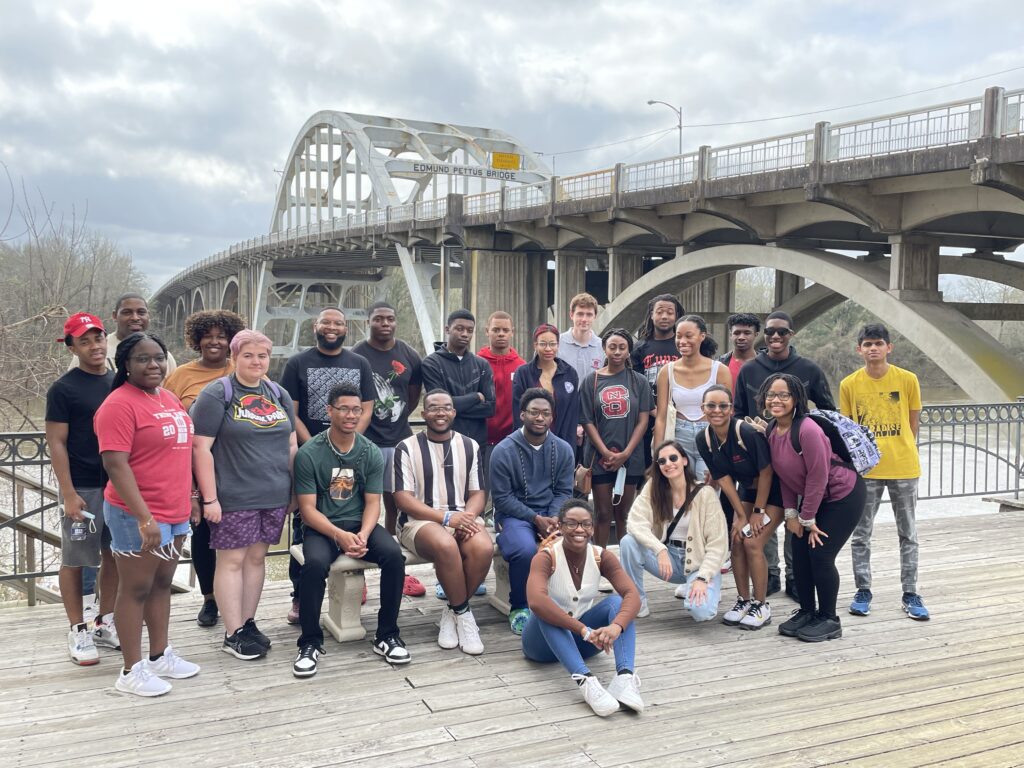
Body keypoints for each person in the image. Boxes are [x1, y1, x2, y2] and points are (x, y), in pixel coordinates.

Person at [95, 332, 200, 696]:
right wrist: (144, 517)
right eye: (143, 358)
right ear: (125, 364)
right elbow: (115, 464)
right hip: (136, 514)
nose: (153, 364)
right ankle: (130, 670)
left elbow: (180, 455)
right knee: (135, 589)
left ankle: (159, 655)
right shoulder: (118, 405)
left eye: (158, 357)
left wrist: (191, 498)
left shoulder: (168, 398)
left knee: (160, 585)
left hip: (175, 511)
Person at [191, 330, 297, 660]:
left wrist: (294, 490)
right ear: (235, 357)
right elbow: (200, 448)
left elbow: (291, 444)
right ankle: (232, 631)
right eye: (248, 355)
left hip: (274, 494)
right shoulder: (217, 393)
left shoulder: (277, 393)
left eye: (262, 355)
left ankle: (248, 622)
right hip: (233, 495)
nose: (256, 361)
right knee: (232, 560)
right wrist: (209, 498)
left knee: (256, 558)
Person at [292, 383, 410, 676]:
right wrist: (339, 535)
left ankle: (387, 635)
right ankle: (309, 641)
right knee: (315, 564)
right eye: (343, 408)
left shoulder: (368, 451)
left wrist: (364, 535)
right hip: (323, 527)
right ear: (329, 411)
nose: (350, 415)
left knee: (394, 556)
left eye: (356, 409)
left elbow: (373, 503)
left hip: (360, 525)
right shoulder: (309, 453)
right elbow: (307, 510)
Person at [281, 307, 376, 624]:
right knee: (304, 521)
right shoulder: (298, 363)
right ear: (315, 326)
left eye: (339, 323)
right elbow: (290, 411)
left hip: (352, 454)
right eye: (326, 322)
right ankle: (300, 595)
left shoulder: (358, 362)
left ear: (346, 329)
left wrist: (349, 444)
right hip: (312, 453)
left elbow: (366, 408)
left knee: (353, 510)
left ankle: (353, 588)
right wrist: (314, 446)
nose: (332, 327)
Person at [733, 310, 836, 601]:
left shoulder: (809, 369)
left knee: (794, 518)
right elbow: (737, 411)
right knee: (762, 516)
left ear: (791, 334)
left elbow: (828, 413)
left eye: (782, 332)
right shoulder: (749, 370)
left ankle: (795, 575)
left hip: (796, 462)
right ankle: (772, 574)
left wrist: (802, 431)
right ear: (763, 336)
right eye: (770, 332)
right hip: (758, 463)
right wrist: (749, 430)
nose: (776, 337)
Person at [762, 374, 866, 642]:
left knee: (819, 554)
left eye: (784, 395)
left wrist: (807, 518)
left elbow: (818, 476)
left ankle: (830, 618)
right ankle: (808, 611)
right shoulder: (772, 430)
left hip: (842, 496)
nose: (777, 400)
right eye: (772, 394)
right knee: (798, 551)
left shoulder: (808, 429)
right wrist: (791, 516)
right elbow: (784, 476)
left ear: (796, 399)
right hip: (812, 499)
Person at [840, 323, 929, 620]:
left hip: (904, 467)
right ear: (859, 350)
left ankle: (911, 592)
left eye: (879, 343)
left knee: (909, 533)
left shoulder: (907, 380)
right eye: (867, 344)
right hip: (867, 471)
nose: (873, 348)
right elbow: (849, 429)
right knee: (861, 533)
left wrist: (904, 448)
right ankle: (863, 590)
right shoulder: (850, 384)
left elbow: (912, 422)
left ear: (889, 347)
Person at [163, 308, 246, 628]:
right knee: (203, 535)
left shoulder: (245, 369)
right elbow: (169, 423)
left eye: (221, 336)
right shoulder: (180, 376)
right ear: (197, 341)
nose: (214, 342)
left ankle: (236, 599)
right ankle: (210, 599)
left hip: (239, 468)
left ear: (231, 342)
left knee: (240, 537)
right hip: (197, 469)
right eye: (208, 336)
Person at [523, 499, 643, 717]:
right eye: (571, 523)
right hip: (540, 645)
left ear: (592, 528)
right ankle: (586, 680)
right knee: (547, 608)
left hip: (583, 643)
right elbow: (535, 601)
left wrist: (615, 627)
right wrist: (583, 630)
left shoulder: (601, 556)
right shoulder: (546, 557)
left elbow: (632, 595)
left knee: (618, 603)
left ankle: (624, 677)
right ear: (559, 526)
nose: (579, 529)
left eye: (586, 524)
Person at [45, 312, 119, 665]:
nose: (95, 346)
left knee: (116, 555)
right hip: (84, 487)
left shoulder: (119, 382)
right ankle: (78, 629)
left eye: (98, 338)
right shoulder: (64, 389)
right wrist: (69, 493)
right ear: (72, 346)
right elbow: (56, 443)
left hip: (118, 486)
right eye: (85, 340)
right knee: (76, 558)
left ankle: (105, 621)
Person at [393, 390, 490, 655]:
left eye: (446, 408)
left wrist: (467, 517)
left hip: (462, 517)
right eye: (434, 408)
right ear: (423, 414)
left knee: (483, 548)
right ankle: (465, 615)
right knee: (446, 545)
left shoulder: (470, 445)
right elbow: (403, 499)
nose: (440, 413)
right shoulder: (407, 447)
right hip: (419, 522)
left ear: (454, 413)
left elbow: (478, 493)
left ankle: (452, 612)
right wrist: (447, 518)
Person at [350, 302, 427, 598]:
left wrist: (398, 418)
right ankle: (358, 571)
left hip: (398, 441)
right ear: (368, 321)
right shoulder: (357, 354)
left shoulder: (408, 354)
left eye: (390, 318)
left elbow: (413, 391)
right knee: (358, 506)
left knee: (397, 505)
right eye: (379, 318)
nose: (385, 323)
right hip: (364, 441)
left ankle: (397, 569)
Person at [695, 385, 784, 630]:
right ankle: (743, 600)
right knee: (736, 537)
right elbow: (724, 479)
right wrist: (740, 515)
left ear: (731, 408)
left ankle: (761, 604)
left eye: (723, 405)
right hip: (746, 491)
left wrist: (757, 513)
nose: (717, 410)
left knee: (753, 542)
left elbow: (767, 472)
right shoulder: (704, 438)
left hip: (774, 492)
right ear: (702, 409)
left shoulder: (745, 432)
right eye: (710, 406)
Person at [491, 388, 574, 635]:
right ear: (522, 415)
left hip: (551, 514)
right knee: (525, 550)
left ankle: (563, 601)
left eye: (545, 413)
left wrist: (553, 519)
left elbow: (563, 491)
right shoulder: (503, 451)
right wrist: (535, 519)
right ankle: (519, 606)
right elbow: (502, 498)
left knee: (574, 542)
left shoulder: (563, 449)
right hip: (513, 515)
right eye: (534, 412)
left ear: (552, 417)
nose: (540, 418)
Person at [618, 440, 727, 621]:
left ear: (684, 460)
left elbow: (718, 544)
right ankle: (637, 600)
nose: (668, 464)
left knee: (701, 612)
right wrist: (659, 549)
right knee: (628, 542)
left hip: (699, 563)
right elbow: (635, 523)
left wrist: (703, 577)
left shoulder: (705, 493)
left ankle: (705, 585)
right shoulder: (654, 488)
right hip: (669, 558)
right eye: (662, 461)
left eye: (673, 458)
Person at [581, 329, 652, 549]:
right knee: (602, 513)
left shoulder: (638, 381)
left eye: (622, 347)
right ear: (604, 348)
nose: (617, 352)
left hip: (630, 457)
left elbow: (643, 420)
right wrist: (605, 452)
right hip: (599, 457)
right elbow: (587, 420)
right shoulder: (591, 381)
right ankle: (599, 562)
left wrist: (626, 454)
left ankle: (623, 565)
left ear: (629, 351)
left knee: (624, 514)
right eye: (612, 347)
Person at [653, 314, 731, 479]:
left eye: (689, 336)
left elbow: (727, 413)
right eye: (679, 336)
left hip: (711, 437)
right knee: (680, 494)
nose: (682, 341)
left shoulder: (720, 370)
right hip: (679, 436)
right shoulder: (666, 371)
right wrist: (659, 454)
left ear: (702, 336)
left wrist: (723, 451)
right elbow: (661, 416)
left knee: (707, 493)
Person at [420, 309, 496, 449]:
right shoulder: (431, 364)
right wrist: (476, 397)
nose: (465, 334)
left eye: (470, 330)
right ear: (448, 330)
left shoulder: (481, 364)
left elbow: (490, 409)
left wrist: (453, 406)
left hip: (477, 444)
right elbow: (439, 406)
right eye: (459, 329)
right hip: (443, 442)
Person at [632, 294, 685, 472]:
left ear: (677, 315)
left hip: (681, 417)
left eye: (670, 312)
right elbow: (636, 386)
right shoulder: (640, 348)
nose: (664, 316)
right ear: (651, 315)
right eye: (660, 312)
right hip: (648, 417)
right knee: (652, 467)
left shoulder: (683, 345)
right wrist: (655, 412)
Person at [511, 323, 580, 448]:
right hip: (530, 443)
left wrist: (569, 448)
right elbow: (518, 413)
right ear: (535, 345)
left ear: (558, 345)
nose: (548, 349)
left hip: (562, 443)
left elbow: (571, 416)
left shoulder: (570, 373)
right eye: (543, 344)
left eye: (552, 344)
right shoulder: (523, 373)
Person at [72, 293, 177, 373]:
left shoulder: (162, 355)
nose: (135, 318)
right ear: (114, 316)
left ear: (148, 316)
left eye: (141, 312)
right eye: (127, 312)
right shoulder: (94, 350)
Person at [558, 292, 603, 451]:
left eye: (589, 314)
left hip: (593, 418)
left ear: (595, 316)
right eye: (580, 314)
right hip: (561, 415)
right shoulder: (557, 343)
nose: (584, 319)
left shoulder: (602, 346)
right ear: (571, 315)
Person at [479, 311, 526, 448]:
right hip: (482, 440)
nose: (501, 334)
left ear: (512, 332)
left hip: (513, 440)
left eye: (505, 330)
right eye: (496, 330)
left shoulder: (521, 366)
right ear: (487, 331)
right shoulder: (476, 363)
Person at [719, 313, 760, 396]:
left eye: (747, 333)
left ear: (756, 335)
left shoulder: (766, 364)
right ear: (730, 335)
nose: (741, 337)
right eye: (737, 333)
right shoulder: (720, 364)